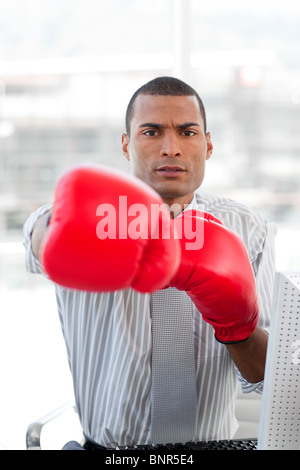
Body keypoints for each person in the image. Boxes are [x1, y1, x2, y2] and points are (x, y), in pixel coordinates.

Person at [23, 76, 275, 449]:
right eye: (152, 132)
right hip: (109, 452)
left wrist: (237, 325)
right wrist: (70, 230)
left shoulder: (245, 227)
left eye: (187, 132)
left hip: (214, 447)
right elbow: (41, 240)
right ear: (127, 145)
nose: (171, 148)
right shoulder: (80, 215)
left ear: (207, 145)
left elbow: (264, 375)